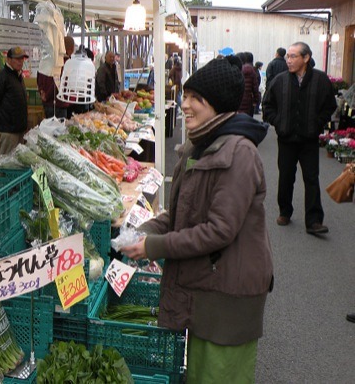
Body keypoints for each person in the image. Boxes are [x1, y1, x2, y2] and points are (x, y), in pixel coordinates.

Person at [121, 55, 273, 383]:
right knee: (200, 373)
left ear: (217, 106)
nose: (185, 105)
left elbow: (219, 231)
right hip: (205, 287)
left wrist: (155, 246)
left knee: (219, 375)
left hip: (228, 295)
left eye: (196, 99)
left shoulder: (239, 153)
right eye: (185, 96)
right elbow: (179, 217)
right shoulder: (198, 147)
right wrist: (139, 231)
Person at [262, 41, 337, 235]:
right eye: (287, 56)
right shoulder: (280, 80)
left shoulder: (321, 80)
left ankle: (314, 221)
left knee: (311, 178)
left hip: (309, 139)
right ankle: (285, 211)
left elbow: (330, 106)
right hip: (286, 138)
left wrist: (318, 123)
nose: (289, 60)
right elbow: (267, 105)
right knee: (286, 176)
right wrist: (277, 121)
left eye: (293, 56)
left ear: (306, 58)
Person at [0, 46, 29, 155]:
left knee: (15, 162)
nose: (20, 62)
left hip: (19, 129)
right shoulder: (3, 77)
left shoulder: (18, 76)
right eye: (17, 59)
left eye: (22, 59)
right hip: (8, 130)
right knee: (5, 162)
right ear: (8, 60)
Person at [38, 36, 73, 119]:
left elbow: (39, 76)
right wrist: (48, 95)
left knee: (49, 129)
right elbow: (58, 83)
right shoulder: (64, 64)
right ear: (70, 49)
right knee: (59, 130)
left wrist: (42, 92)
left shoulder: (47, 60)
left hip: (47, 103)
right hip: (59, 104)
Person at [237, 52, 260, 116]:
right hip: (248, 100)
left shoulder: (236, 70)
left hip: (238, 100)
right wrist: (256, 100)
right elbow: (255, 87)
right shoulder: (252, 70)